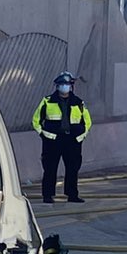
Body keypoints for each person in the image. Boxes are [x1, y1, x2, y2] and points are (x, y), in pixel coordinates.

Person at [33, 72, 92, 204]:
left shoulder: (78, 102)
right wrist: (44, 135)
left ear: (71, 86)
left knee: (73, 169)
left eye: (67, 84)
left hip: (72, 141)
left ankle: (72, 195)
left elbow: (87, 121)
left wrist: (80, 137)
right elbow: (36, 120)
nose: (65, 87)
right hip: (53, 140)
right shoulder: (47, 101)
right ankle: (48, 195)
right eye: (62, 84)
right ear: (57, 86)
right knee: (50, 169)